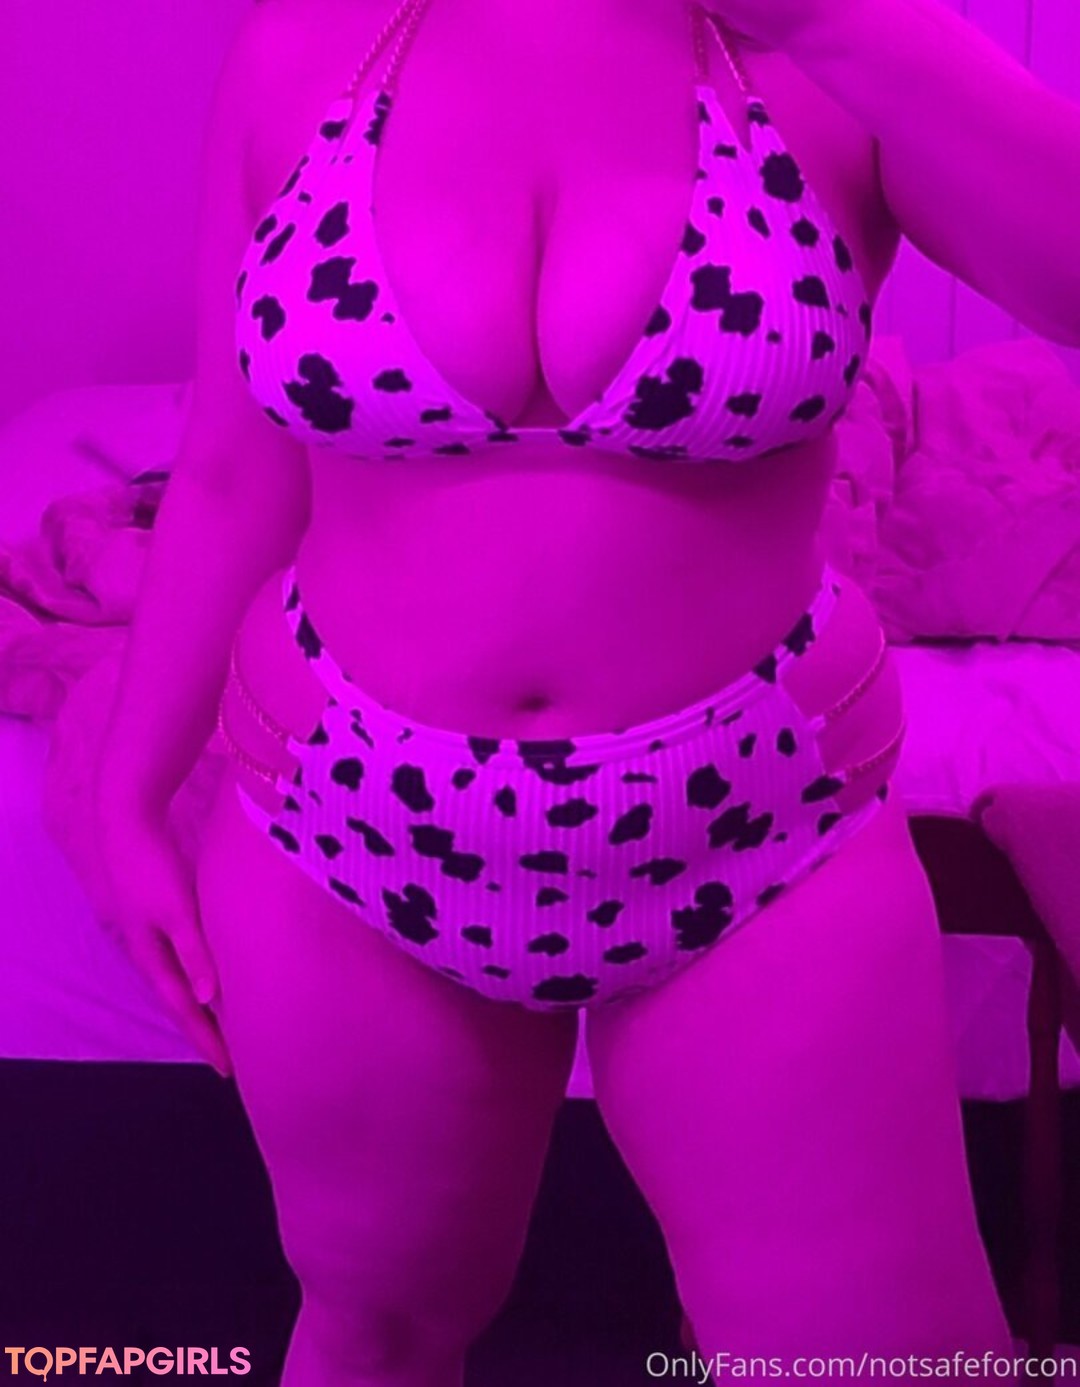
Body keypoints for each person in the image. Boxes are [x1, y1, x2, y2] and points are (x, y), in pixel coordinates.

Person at [94, 0, 1079, 1380]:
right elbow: (227, 467)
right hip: (345, 824)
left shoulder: (818, 45)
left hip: (756, 838)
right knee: (379, 1320)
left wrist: (835, 19)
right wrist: (129, 789)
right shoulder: (308, 44)